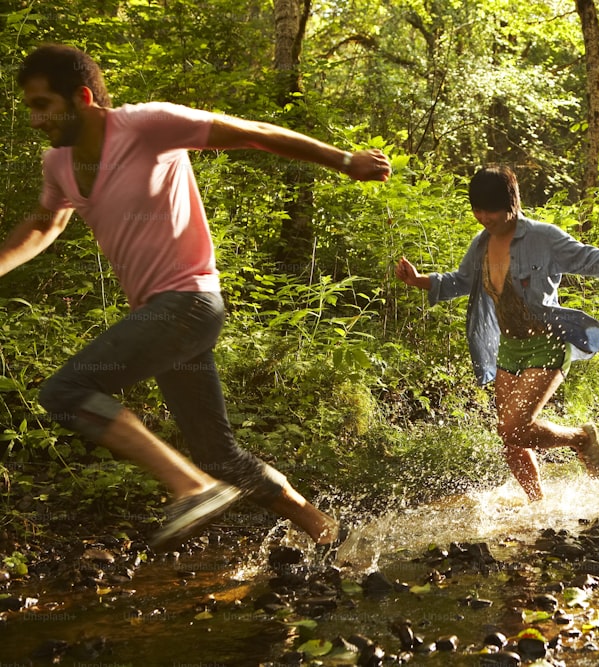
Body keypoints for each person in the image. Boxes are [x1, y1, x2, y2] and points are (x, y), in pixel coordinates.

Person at [2, 44, 392, 548]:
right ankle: (327, 533)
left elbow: (253, 134)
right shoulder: (57, 163)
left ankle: (188, 486)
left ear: (81, 97)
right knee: (218, 455)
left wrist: (344, 160)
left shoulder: (147, 125)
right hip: (161, 320)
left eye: (42, 105)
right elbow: (42, 225)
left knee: (63, 393)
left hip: (188, 303)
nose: (35, 120)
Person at [394, 166, 599, 501]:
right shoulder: (480, 244)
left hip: (548, 342)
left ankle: (580, 438)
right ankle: (537, 504)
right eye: (477, 210)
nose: (484, 217)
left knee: (513, 426)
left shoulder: (542, 237)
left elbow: (585, 257)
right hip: (508, 347)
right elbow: (462, 281)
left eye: (490, 209)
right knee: (511, 439)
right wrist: (419, 280)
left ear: (512, 203)